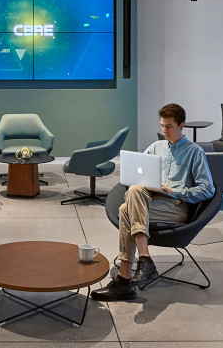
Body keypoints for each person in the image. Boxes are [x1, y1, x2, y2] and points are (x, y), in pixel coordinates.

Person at [90, 103, 214, 302]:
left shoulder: (195, 152)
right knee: (135, 190)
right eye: (162, 126)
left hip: (175, 207)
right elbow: (135, 174)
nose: (164, 131)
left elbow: (208, 189)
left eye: (169, 126)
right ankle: (144, 260)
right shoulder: (156, 147)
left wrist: (173, 190)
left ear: (182, 125)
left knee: (125, 211)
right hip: (148, 202)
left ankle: (124, 280)